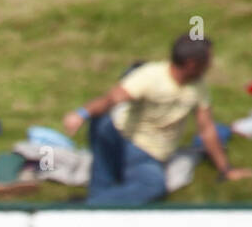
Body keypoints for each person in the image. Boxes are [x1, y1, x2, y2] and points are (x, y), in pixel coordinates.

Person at [62, 35, 251, 206]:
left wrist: (226, 170)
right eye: (208, 60)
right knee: (102, 123)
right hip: (123, 143)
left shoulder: (198, 87)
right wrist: (81, 113)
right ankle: (99, 197)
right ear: (192, 64)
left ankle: (91, 204)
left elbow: (207, 128)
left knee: (152, 188)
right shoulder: (150, 76)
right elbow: (110, 100)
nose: (211, 65)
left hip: (149, 154)